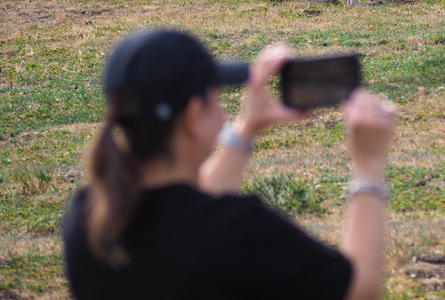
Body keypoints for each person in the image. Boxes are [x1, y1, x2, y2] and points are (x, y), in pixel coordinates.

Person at [63, 28, 396, 300]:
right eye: (216, 98)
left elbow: (185, 212)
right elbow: (359, 290)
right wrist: (368, 166)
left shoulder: (87, 218)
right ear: (194, 116)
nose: (223, 113)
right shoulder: (240, 230)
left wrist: (246, 128)